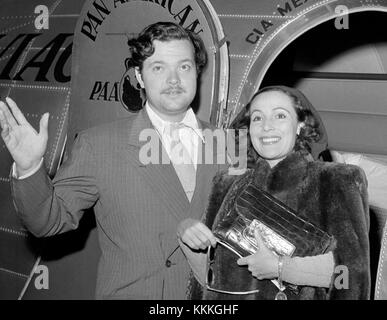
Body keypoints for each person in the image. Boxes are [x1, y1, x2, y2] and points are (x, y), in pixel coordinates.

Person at [0, 21, 223, 299]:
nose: (174, 79)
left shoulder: (226, 143)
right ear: (139, 77)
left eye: (184, 66)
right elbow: (48, 222)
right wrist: (30, 167)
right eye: (158, 67)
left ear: (197, 72)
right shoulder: (99, 145)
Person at [178, 85, 371, 299]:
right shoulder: (225, 184)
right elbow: (207, 282)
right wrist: (187, 236)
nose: (266, 126)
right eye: (257, 118)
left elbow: (353, 277)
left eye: (280, 115)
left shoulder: (335, 180)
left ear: (300, 125)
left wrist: (282, 268)